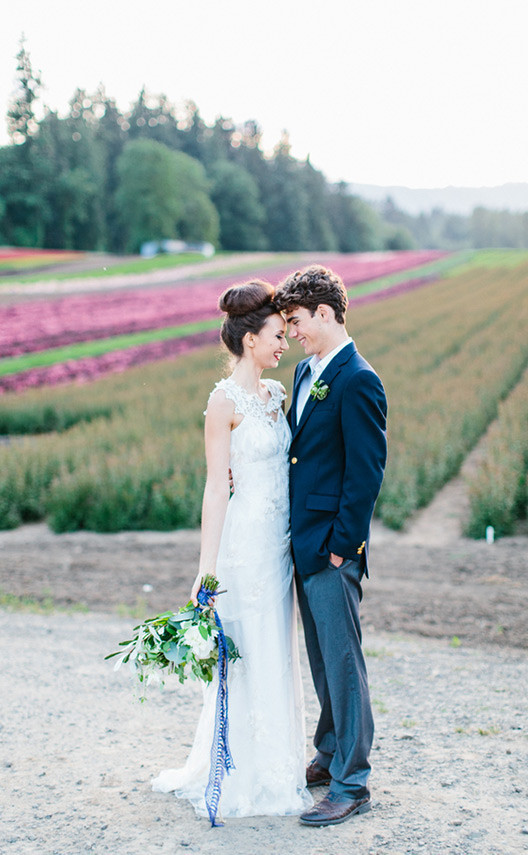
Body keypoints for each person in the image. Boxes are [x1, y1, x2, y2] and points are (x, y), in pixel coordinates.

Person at [152, 280, 312, 820]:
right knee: (246, 649)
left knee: (276, 648)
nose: (284, 343)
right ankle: (241, 771)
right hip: (245, 547)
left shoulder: (278, 395)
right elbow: (216, 487)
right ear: (250, 341)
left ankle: (279, 765)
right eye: (276, 335)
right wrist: (207, 568)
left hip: (281, 545)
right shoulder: (223, 403)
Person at [274, 265, 388, 827]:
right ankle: (329, 750)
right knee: (320, 658)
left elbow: (366, 473)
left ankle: (353, 782)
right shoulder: (305, 371)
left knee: (344, 665)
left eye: (296, 321)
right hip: (303, 542)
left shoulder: (358, 379)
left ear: (325, 313)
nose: (291, 332)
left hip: (332, 548)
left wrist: (343, 548)